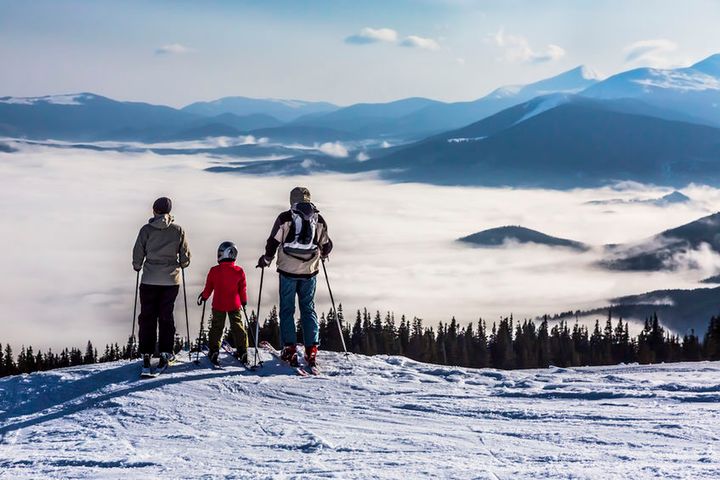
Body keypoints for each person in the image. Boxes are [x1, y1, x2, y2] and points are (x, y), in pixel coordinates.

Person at [257, 187, 332, 368]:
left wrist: (266, 259)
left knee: (287, 309)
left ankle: (289, 349)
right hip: (310, 271)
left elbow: (273, 242)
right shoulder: (318, 218)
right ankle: (311, 349)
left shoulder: (285, 218)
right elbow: (326, 245)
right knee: (308, 308)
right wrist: (322, 253)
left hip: (287, 271)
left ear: (292, 200)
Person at [132, 197, 191, 373]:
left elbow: (138, 253)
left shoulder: (146, 230)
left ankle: (146, 353)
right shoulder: (178, 230)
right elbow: (185, 257)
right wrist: (180, 265)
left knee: (147, 316)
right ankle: (166, 351)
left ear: (154, 210)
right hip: (171, 281)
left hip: (149, 279)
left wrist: (137, 266)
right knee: (166, 316)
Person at [197, 241, 249, 366]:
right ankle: (243, 351)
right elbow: (242, 289)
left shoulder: (214, 271)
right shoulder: (239, 271)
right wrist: (244, 301)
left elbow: (209, 287)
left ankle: (214, 351)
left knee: (216, 328)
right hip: (234, 304)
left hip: (218, 304)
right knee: (237, 327)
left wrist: (203, 297)